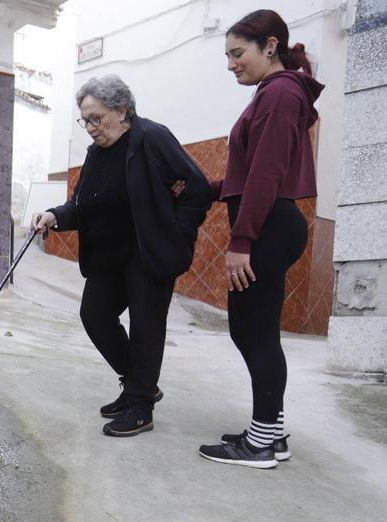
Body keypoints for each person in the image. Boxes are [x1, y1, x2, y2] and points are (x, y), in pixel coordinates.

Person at [31, 75, 211, 438]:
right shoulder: (96, 153)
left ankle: (140, 407)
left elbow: (198, 189)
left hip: (147, 253)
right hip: (108, 255)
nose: (91, 128)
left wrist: (175, 231)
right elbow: (81, 205)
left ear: (122, 110)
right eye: (86, 120)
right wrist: (55, 215)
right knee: (94, 315)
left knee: (146, 328)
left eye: (97, 118)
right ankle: (137, 386)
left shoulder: (152, 138)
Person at [197, 10, 324, 469]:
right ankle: (271, 432)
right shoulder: (278, 92)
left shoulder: (280, 92)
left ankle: (261, 444)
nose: (231, 64)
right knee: (256, 331)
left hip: (267, 228)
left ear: (270, 46)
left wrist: (241, 241)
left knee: (253, 332)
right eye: (227, 55)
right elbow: (247, 175)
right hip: (271, 225)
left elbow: (267, 175)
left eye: (237, 53)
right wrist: (199, 189)